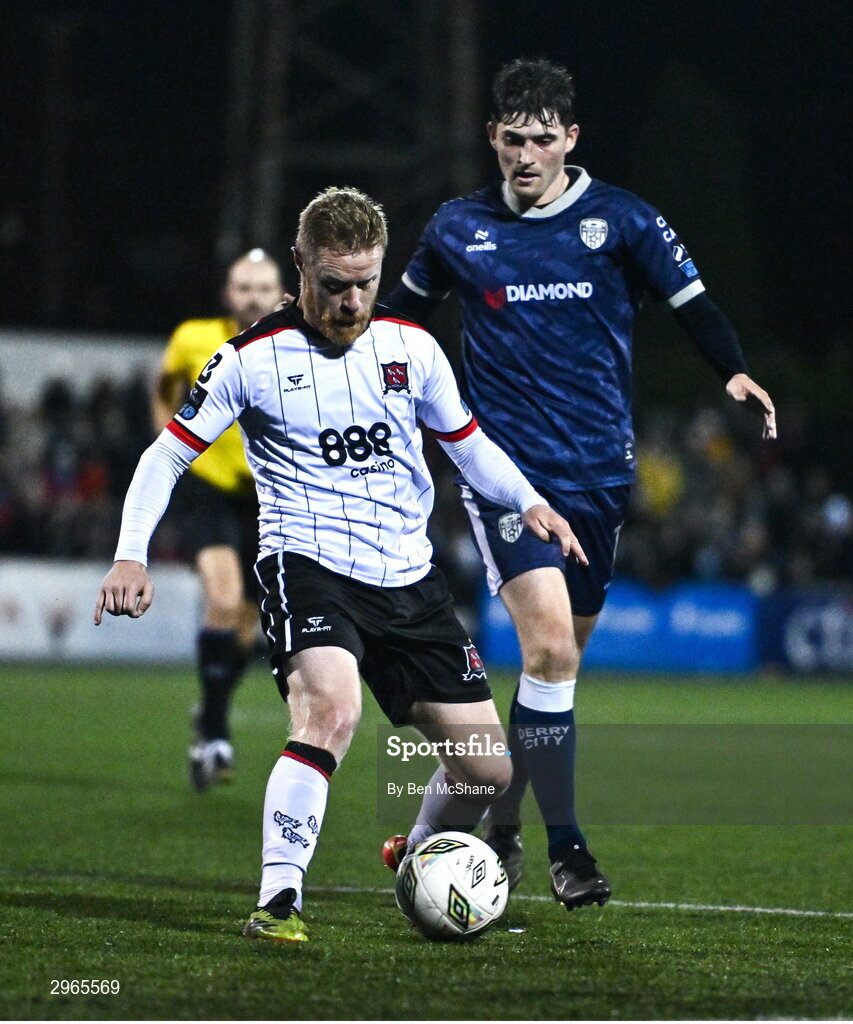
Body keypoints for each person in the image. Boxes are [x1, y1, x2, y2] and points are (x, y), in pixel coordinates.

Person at [94, 186, 584, 943]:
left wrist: (529, 503)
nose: (351, 301)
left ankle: (417, 854)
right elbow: (165, 457)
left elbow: (467, 443)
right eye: (333, 285)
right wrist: (130, 556)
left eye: (365, 282)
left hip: (408, 579)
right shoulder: (248, 360)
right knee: (330, 710)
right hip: (308, 563)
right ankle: (279, 898)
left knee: (487, 772)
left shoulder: (411, 348)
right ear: (300, 267)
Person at [385, 58, 777, 911]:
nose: (524, 156)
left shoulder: (621, 219)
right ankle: (567, 850)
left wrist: (732, 374)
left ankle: (476, 832)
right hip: (505, 479)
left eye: (540, 141)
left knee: (551, 679)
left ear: (569, 138)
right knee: (550, 650)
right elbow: (395, 324)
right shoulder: (456, 228)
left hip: (599, 477)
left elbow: (692, 301)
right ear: (492, 137)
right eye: (510, 140)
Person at [152, 249, 285, 791]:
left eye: (262, 288)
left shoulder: (294, 342)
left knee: (252, 626)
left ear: (280, 292)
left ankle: (210, 717)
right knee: (224, 600)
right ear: (229, 294)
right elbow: (163, 390)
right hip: (207, 488)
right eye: (243, 287)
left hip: (269, 497)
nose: (252, 297)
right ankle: (213, 729)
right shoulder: (192, 337)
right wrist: (170, 449)